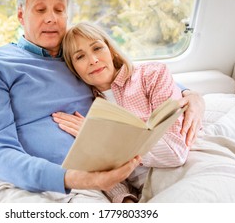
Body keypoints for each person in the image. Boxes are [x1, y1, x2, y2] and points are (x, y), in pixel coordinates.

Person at [0, 0, 204, 203]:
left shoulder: (77, 62)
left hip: (88, 186)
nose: (51, 17)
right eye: (40, 9)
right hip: (6, 183)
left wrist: (190, 95)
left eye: (59, 10)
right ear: (22, 15)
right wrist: (73, 178)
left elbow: (131, 77)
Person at [53, 21, 189, 202]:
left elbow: (175, 153)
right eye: (80, 57)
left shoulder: (152, 75)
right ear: (73, 68)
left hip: (182, 174)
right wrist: (124, 199)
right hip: (142, 190)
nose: (93, 60)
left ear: (110, 50)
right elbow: (102, 169)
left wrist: (106, 139)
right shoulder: (86, 108)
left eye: (97, 48)